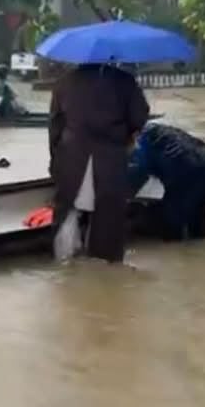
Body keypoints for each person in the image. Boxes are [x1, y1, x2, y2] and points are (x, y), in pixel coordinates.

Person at [48, 63, 151, 262]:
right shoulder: (124, 81)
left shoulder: (64, 82)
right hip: (109, 158)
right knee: (108, 219)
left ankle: (62, 261)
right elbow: (139, 117)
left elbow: (55, 126)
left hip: (72, 157)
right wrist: (125, 134)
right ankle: (105, 268)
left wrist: (55, 161)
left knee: (67, 212)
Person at [127, 123, 205, 241]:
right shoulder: (153, 129)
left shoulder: (138, 142)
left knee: (172, 225)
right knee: (198, 223)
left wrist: (124, 199)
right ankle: (199, 251)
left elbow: (139, 173)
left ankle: (175, 247)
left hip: (186, 171)